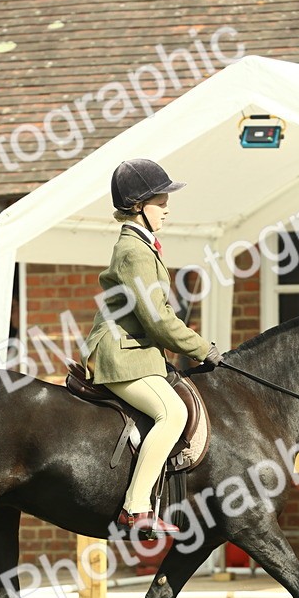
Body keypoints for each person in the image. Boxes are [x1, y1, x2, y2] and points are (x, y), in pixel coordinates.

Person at [83, 159, 223, 537]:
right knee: (173, 414)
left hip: (139, 355)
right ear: (138, 207)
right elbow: (158, 320)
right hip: (122, 356)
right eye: (161, 201)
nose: (167, 207)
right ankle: (135, 509)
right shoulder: (134, 252)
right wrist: (201, 348)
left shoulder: (143, 246)